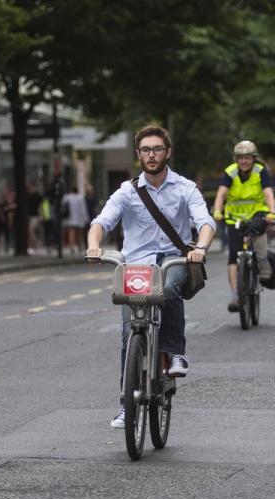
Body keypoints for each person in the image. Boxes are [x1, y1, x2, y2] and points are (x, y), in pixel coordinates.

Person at [86, 124, 215, 428]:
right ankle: (126, 404)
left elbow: (205, 222)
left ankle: (174, 353)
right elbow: (101, 222)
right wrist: (94, 246)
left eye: (157, 149)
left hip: (174, 258)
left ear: (167, 152)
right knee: (128, 332)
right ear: (138, 154)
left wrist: (201, 247)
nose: (152, 154)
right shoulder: (127, 191)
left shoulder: (185, 188)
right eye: (146, 149)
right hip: (137, 265)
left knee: (168, 287)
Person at [211, 140, 275, 313]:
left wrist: (271, 211)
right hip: (235, 217)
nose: (244, 161)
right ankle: (235, 296)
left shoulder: (260, 171)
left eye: (247, 158)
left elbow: (268, 193)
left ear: (254, 158)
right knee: (234, 255)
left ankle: (263, 263)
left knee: (258, 230)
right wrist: (218, 211)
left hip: (257, 213)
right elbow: (221, 193)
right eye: (240, 158)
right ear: (236, 159)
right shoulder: (230, 172)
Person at [60, 188, 89, 252]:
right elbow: (83, 209)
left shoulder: (67, 197)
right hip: (79, 219)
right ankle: (80, 247)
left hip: (70, 218)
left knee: (71, 233)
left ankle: (71, 247)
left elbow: (62, 204)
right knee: (79, 234)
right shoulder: (80, 198)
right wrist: (86, 218)